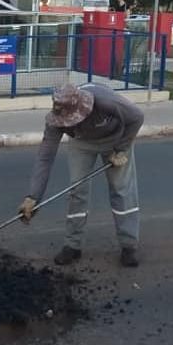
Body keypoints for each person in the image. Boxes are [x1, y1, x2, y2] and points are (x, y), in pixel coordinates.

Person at [18, 83, 144, 267]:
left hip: (115, 139)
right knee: (77, 190)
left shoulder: (104, 101)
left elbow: (137, 117)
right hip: (82, 144)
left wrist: (122, 149)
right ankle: (72, 245)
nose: (68, 123)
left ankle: (129, 246)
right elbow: (45, 158)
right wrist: (33, 196)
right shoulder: (56, 121)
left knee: (121, 189)